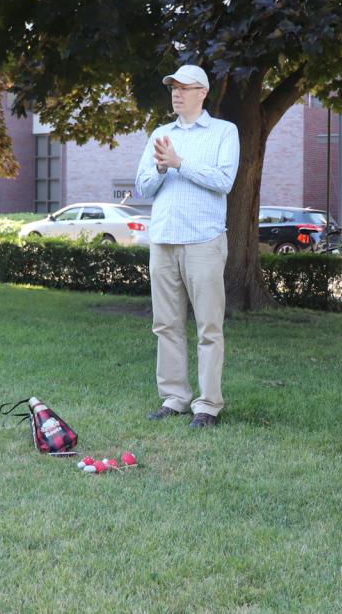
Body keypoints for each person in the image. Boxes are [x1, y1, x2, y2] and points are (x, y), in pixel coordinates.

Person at [134, 64, 240, 428]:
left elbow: (224, 180)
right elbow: (143, 186)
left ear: (203, 92)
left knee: (208, 327)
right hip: (163, 240)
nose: (176, 93)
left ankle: (208, 405)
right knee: (166, 324)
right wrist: (162, 169)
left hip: (204, 241)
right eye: (172, 88)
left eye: (183, 87)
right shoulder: (160, 134)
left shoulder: (225, 132)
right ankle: (174, 398)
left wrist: (179, 163)